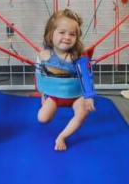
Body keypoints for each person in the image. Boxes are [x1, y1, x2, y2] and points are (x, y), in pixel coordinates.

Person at [36, 9, 95, 151]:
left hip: (76, 95)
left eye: (72, 34)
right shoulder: (45, 55)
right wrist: (43, 93)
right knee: (43, 119)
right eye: (62, 32)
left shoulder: (78, 57)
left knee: (82, 114)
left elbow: (86, 77)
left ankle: (62, 136)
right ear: (51, 34)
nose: (67, 37)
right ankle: (48, 107)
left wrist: (89, 97)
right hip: (55, 95)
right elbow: (40, 76)